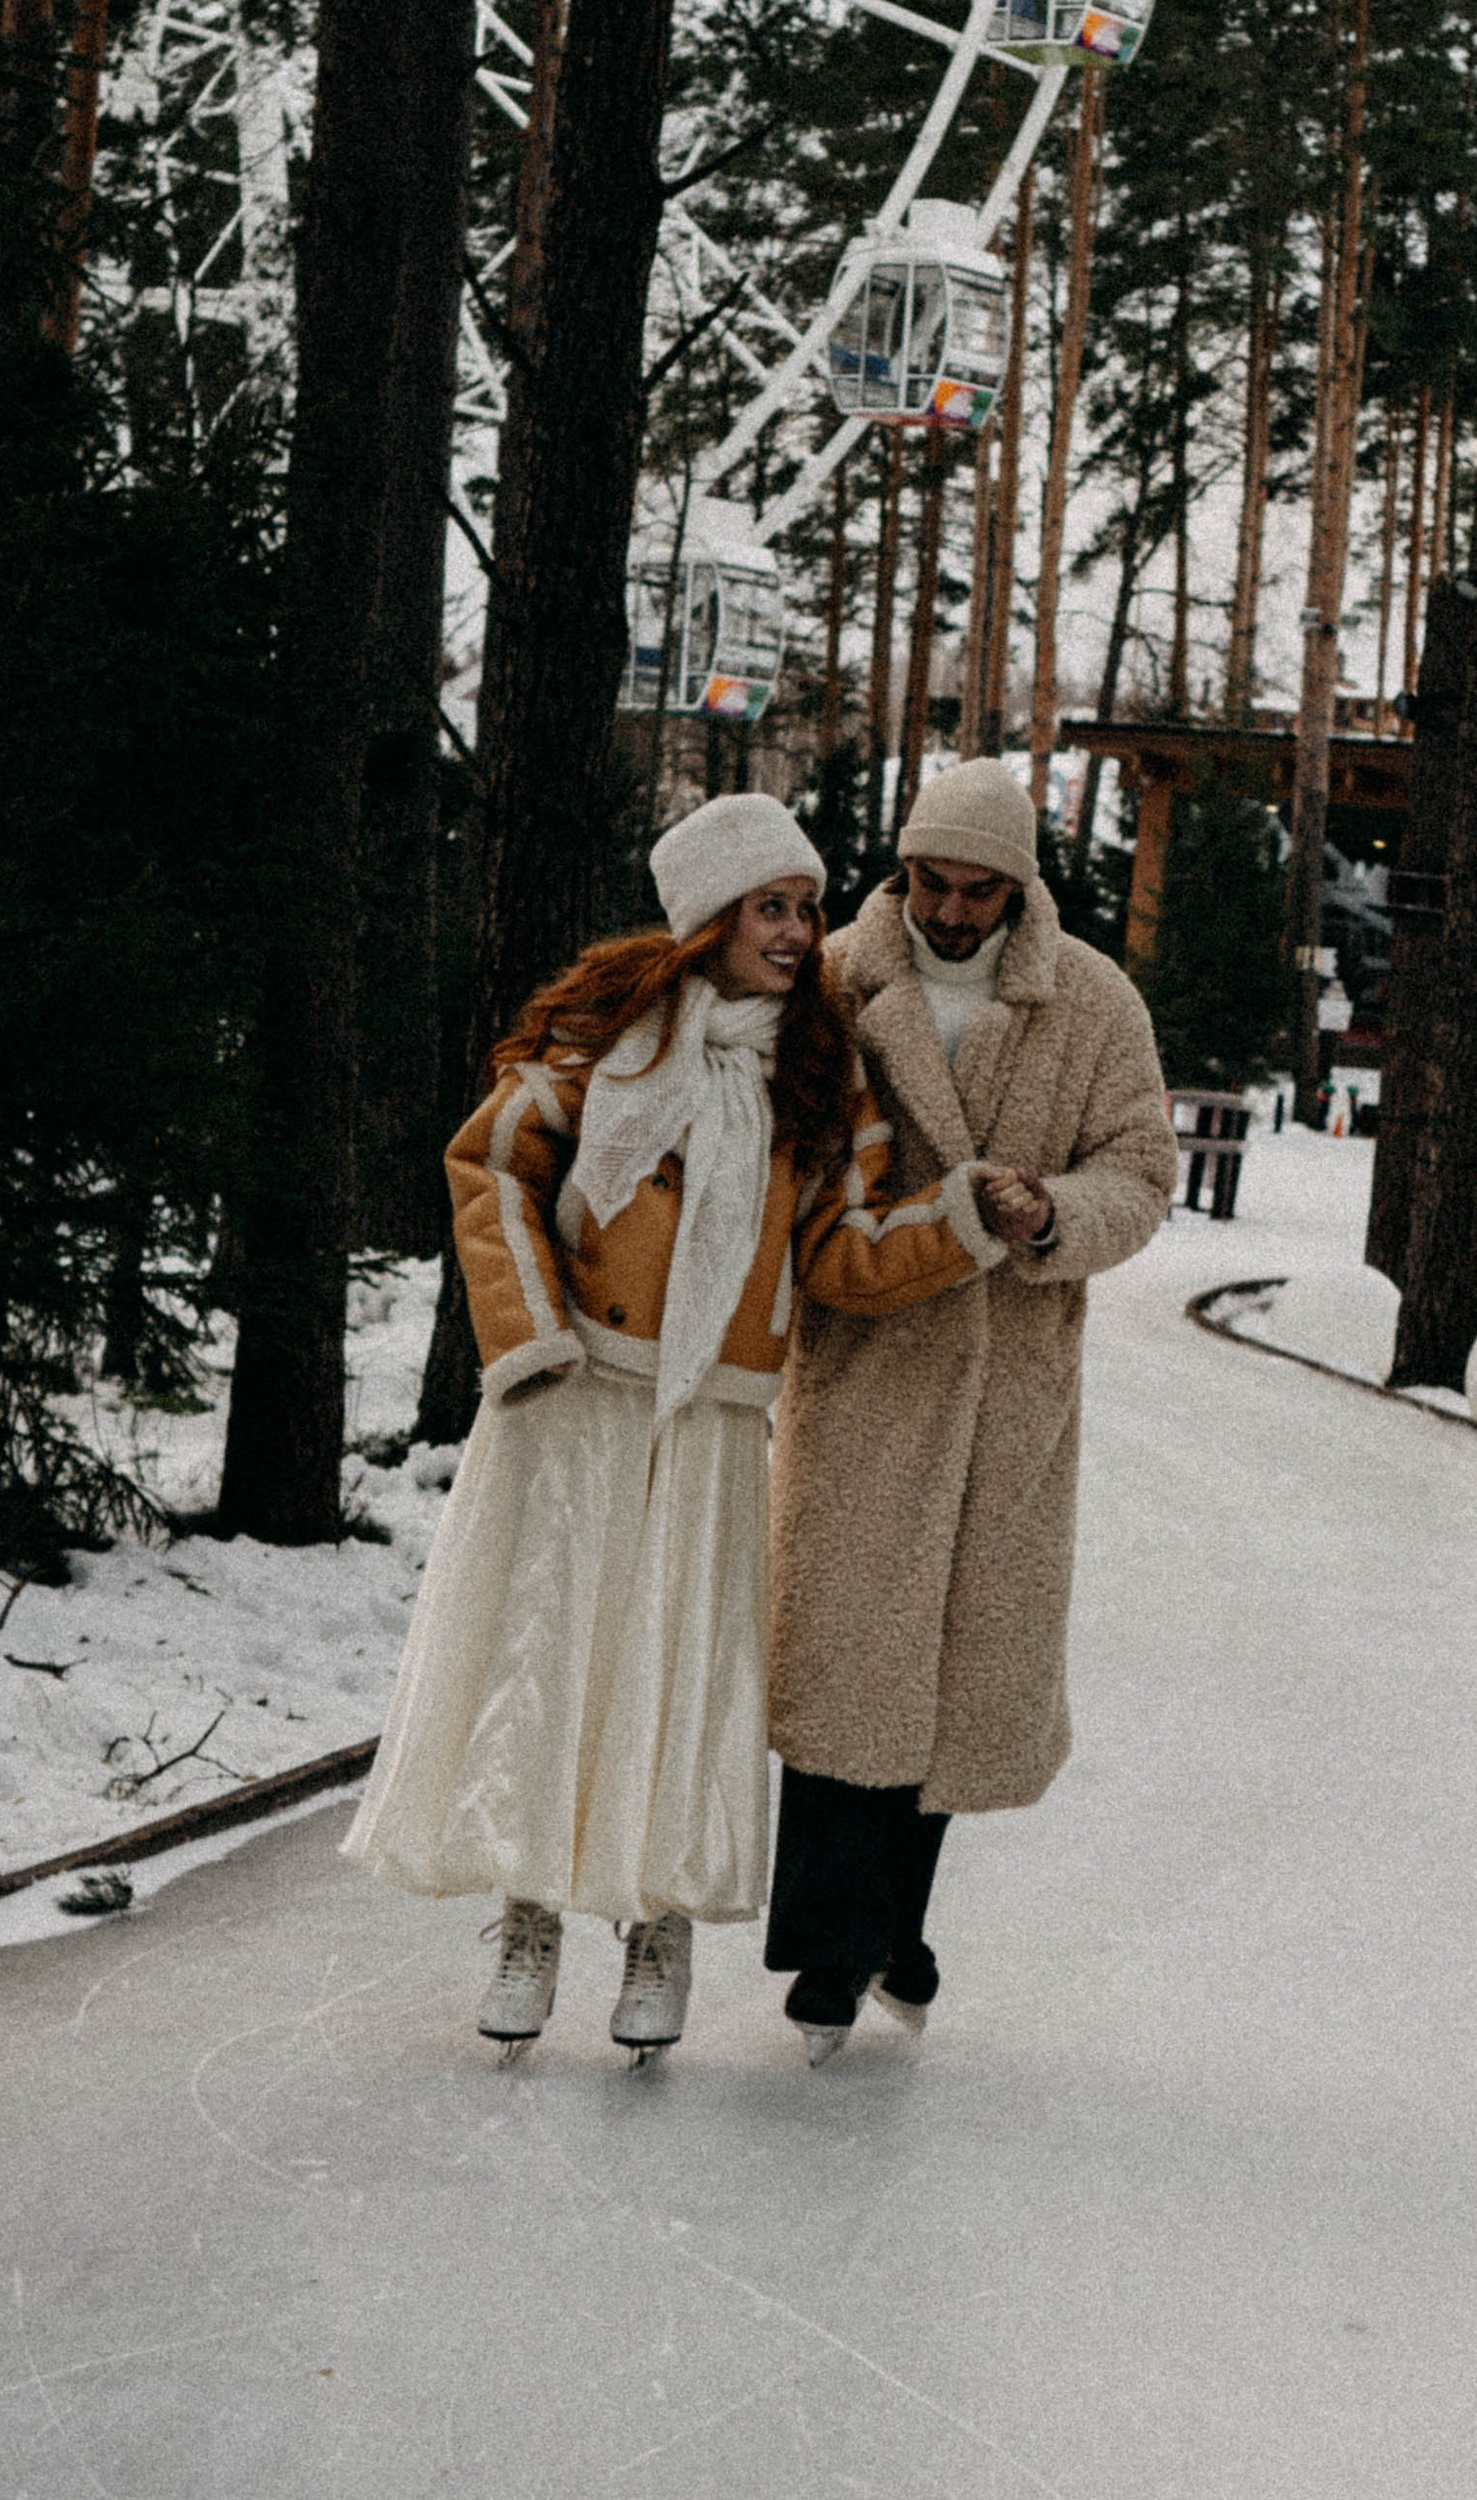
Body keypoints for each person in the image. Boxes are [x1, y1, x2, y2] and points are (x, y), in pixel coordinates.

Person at [344, 794, 1009, 2059]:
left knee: (680, 1671)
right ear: (709, 916)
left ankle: (657, 1932)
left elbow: (843, 1249)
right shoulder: (604, 1039)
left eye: (808, 908)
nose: (799, 932)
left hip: (711, 1419)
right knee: (550, 1656)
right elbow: (491, 1169)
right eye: (773, 908)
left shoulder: (820, 1071)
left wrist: (964, 1220)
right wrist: (529, 1334)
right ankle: (528, 1917)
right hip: (574, 1402)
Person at [765, 759, 1178, 2062]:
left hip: (1007, 1383)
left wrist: (1052, 1215)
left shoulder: (1092, 1001)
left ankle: (893, 1928)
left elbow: (1142, 1172)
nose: (949, 912)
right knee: (847, 1661)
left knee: (949, 1670)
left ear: (1020, 888)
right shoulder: (835, 977)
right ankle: (830, 1950)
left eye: (977, 891)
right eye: (930, 884)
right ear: (902, 871)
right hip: (866, 1361)